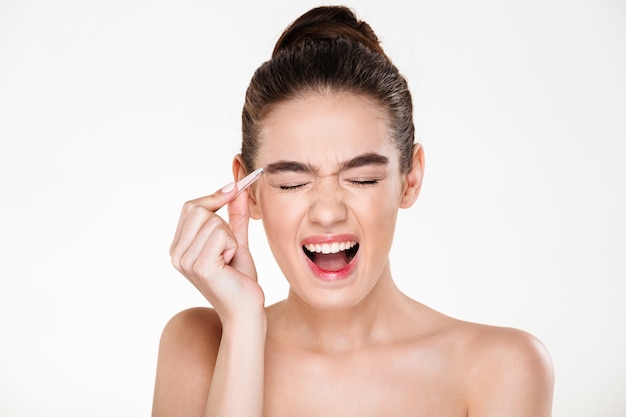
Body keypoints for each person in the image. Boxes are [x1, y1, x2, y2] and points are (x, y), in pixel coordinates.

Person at [152, 5, 554, 417]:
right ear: (247, 192)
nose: (327, 213)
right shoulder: (199, 346)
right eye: (292, 182)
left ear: (410, 179)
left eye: (362, 179)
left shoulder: (501, 367)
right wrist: (243, 326)